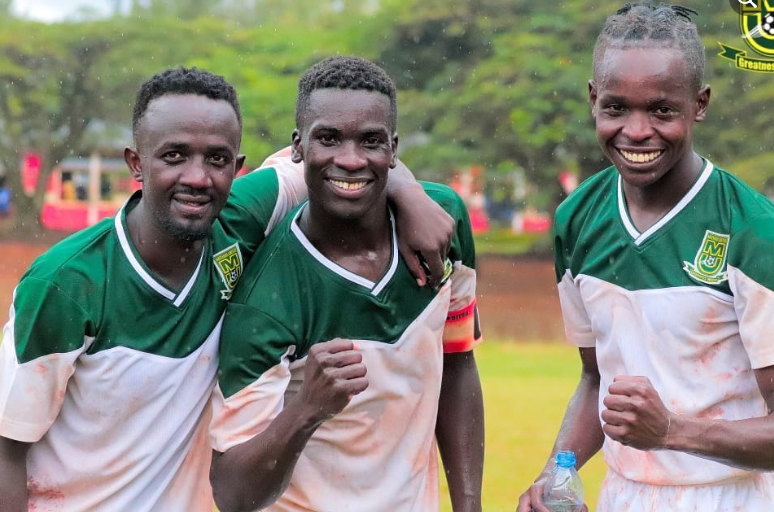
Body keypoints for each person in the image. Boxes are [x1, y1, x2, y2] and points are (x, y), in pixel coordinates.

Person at [0, 67, 454, 512]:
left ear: (236, 168)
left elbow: (346, 154)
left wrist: (409, 193)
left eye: (216, 159)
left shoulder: (239, 219)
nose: (197, 177)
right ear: (136, 163)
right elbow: (6, 447)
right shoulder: (66, 284)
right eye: (174, 156)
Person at [517, 4, 774, 512]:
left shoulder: (754, 231)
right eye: (616, 108)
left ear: (698, 104)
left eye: (661, 110)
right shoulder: (577, 220)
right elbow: (597, 380)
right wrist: (556, 473)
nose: (636, 132)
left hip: (735, 498)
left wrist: (673, 431)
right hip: (623, 495)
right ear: (593, 100)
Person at [209, 56, 484, 512]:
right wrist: (306, 410)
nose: (351, 159)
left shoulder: (443, 223)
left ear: (394, 151)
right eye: (329, 138)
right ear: (298, 147)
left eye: (371, 141)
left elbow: (458, 365)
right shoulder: (263, 303)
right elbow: (233, 493)